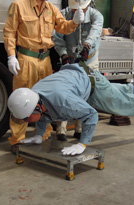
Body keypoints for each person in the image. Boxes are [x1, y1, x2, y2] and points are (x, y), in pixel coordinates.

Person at [7, 62, 134, 156]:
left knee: (120, 105)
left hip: (93, 84)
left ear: (36, 107)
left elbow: (91, 115)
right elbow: (43, 114)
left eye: (26, 118)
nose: (25, 121)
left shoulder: (64, 102)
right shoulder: (35, 95)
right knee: (115, 96)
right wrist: (39, 134)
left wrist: (83, 143)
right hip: (77, 80)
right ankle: (132, 88)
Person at [3, 0, 85, 153]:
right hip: (26, 58)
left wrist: (74, 22)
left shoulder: (51, 8)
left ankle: (43, 135)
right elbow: (9, 32)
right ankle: (17, 140)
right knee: (21, 100)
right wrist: (11, 56)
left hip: (45, 59)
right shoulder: (19, 5)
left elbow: (63, 27)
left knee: (45, 99)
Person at [52, 0, 103, 142]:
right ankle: (61, 129)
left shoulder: (96, 16)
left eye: (80, 10)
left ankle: (80, 129)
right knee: (64, 93)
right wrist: (64, 54)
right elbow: (57, 37)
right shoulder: (63, 14)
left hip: (89, 60)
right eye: (74, 10)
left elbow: (95, 31)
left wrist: (87, 46)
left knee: (86, 95)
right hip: (70, 58)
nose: (77, 12)